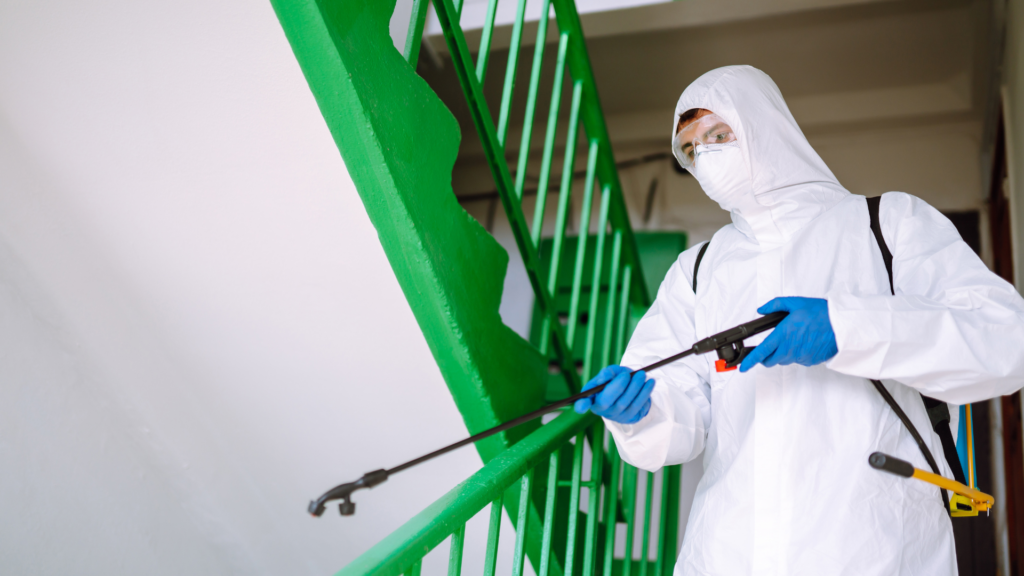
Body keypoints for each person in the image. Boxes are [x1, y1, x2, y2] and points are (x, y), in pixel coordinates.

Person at [573, 65, 1024, 575]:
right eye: (693, 149)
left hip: (873, 550)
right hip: (728, 553)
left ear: (766, 126)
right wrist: (641, 411)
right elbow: (682, 414)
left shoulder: (887, 224)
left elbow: (1005, 340)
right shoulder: (698, 270)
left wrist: (846, 327)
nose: (707, 157)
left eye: (719, 134)